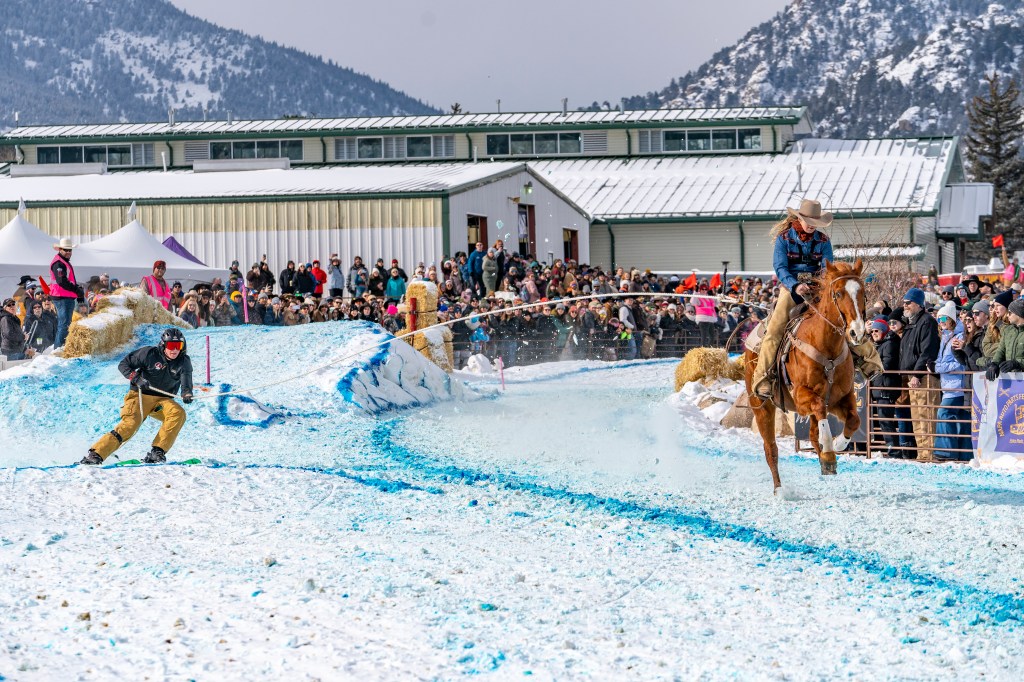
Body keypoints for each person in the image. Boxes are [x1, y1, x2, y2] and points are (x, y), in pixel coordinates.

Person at [751, 199, 884, 400]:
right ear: (799, 219)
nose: (812, 225)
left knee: (842, 319)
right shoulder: (784, 239)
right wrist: (795, 285)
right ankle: (763, 379)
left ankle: (869, 361)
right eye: (808, 220)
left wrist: (819, 283)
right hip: (792, 289)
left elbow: (825, 266)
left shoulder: (823, 240)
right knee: (775, 330)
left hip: (818, 289)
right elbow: (780, 268)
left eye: (815, 221)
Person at [80, 328, 194, 465]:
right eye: (171, 346)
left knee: (178, 413)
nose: (174, 350)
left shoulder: (183, 361)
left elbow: (186, 380)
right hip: (139, 396)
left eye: (178, 346)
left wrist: (187, 393)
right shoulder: (149, 354)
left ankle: (157, 452)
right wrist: (135, 378)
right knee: (130, 425)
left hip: (162, 401)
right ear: (164, 345)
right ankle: (96, 453)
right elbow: (124, 365)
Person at [899, 287, 941, 461]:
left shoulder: (927, 322)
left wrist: (917, 373)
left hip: (924, 377)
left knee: (927, 415)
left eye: (908, 303)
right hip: (912, 377)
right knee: (917, 416)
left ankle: (929, 453)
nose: (905, 306)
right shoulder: (912, 323)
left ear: (917, 304)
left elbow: (927, 351)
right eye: (904, 303)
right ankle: (922, 453)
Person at [933, 302, 971, 461]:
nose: (940, 321)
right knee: (962, 418)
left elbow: (960, 363)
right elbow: (941, 359)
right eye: (938, 319)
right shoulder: (946, 337)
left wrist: (938, 367)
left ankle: (946, 452)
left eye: (943, 318)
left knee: (944, 413)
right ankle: (964, 453)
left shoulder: (958, 337)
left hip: (957, 386)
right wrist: (936, 364)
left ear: (951, 319)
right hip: (948, 385)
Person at [49, 237, 85, 349]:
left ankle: (61, 348)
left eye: (70, 250)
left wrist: (78, 292)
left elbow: (68, 281)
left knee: (65, 324)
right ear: (60, 249)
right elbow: (62, 282)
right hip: (61, 297)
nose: (68, 252)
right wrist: (77, 290)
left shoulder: (63, 262)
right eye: (66, 250)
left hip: (65, 296)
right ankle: (58, 349)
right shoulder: (59, 263)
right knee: (64, 325)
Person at [986, 299, 1024, 381]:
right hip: (1012, 379)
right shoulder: (1008, 330)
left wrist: (1018, 363)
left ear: (1018, 314)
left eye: (1010, 313)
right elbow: (1001, 350)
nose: (1007, 315)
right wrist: (994, 364)